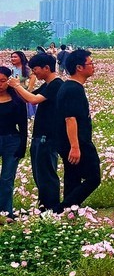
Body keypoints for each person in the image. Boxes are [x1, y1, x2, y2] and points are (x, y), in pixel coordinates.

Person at [8, 53, 64, 211]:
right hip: (40, 136)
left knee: (46, 174)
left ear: (47, 68)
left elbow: (33, 100)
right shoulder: (47, 84)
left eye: (35, 69)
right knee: (40, 174)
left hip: (48, 136)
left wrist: (17, 86)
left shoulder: (56, 84)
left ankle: (50, 209)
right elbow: (29, 97)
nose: (34, 73)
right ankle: (44, 206)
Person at [58, 49, 101, 210]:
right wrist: (75, 147)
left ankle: (69, 213)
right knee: (93, 178)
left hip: (70, 141)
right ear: (79, 68)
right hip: (78, 142)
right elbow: (70, 118)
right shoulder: (72, 89)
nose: (93, 66)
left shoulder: (70, 87)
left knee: (73, 177)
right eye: (90, 63)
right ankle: (63, 208)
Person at [0, 66, 29, 219]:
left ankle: (6, 213)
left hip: (12, 141)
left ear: (9, 81)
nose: (0, 84)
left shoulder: (17, 100)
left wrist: (22, 146)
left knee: (6, 179)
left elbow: (23, 126)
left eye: (3, 81)